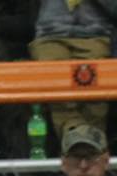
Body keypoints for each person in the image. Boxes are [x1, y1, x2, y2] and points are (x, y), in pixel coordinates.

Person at [29, 0, 117, 139]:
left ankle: (90, 143)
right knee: (58, 90)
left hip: (96, 35)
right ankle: (75, 137)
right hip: (50, 35)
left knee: (95, 95)